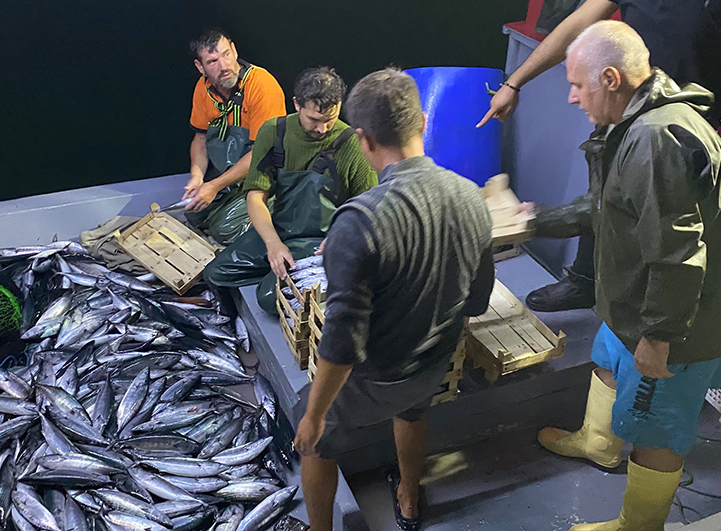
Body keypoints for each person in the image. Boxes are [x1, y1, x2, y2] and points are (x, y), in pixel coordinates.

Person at [533, 21, 721, 530]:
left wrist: (659, 338)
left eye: (577, 85)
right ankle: (597, 441)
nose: (571, 97)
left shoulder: (658, 140)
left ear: (611, 78)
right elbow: (607, 206)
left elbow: (679, 257)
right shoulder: (632, 121)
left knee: (658, 430)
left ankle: (638, 526)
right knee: (608, 355)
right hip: (639, 299)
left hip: (682, 323)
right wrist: (530, 219)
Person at [478, 0, 721, 313]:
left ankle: (650, 320)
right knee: (604, 189)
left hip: (682, 122)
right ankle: (585, 281)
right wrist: (515, 82)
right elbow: (580, 21)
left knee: (659, 223)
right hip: (619, 100)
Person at [293, 68, 495, 531]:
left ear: (362, 140)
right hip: (431, 366)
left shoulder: (358, 220)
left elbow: (342, 344)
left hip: (375, 379)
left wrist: (315, 417)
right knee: (411, 410)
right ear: (423, 121)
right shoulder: (471, 197)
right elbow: (477, 301)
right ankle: (408, 496)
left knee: (313, 434)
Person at [202, 66, 377, 310]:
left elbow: (367, 207)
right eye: (314, 120)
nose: (322, 129)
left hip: (320, 240)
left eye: (330, 119)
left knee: (268, 299)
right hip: (279, 229)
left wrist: (339, 241)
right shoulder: (273, 131)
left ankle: (301, 278)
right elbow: (255, 197)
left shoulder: (352, 143)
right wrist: (273, 243)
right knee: (215, 274)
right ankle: (277, 272)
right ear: (297, 104)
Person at [183, 29, 286, 245]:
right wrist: (197, 177)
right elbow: (200, 139)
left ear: (234, 50)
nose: (224, 66)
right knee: (193, 213)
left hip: (265, 173)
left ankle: (277, 208)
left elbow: (262, 153)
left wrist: (214, 186)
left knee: (225, 229)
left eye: (226, 54)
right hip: (230, 176)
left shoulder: (261, 85)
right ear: (200, 67)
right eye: (212, 61)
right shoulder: (203, 88)